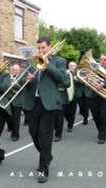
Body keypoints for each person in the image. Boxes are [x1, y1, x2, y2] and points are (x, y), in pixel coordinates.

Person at [24, 37, 67, 183]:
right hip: (33, 102)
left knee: (45, 136)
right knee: (33, 133)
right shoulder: (33, 61)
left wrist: (48, 65)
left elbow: (64, 80)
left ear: (50, 47)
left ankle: (43, 168)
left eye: (43, 47)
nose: (41, 50)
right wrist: (28, 80)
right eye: (39, 48)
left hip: (49, 104)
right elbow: (27, 82)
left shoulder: (59, 61)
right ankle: (47, 156)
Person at [89, 54, 106, 144]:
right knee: (95, 115)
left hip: (104, 96)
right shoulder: (95, 67)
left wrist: (103, 84)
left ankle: (102, 137)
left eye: (105, 60)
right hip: (94, 95)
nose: (103, 61)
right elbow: (88, 75)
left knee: (103, 116)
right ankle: (101, 130)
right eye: (101, 59)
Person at [8, 64, 26, 141]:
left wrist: (13, 85)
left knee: (16, 119)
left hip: (18, 101)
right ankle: (12, 130)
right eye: (13, 70)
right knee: (9, 118)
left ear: (19, 70)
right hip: (9, 100)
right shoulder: (9, 78)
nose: (14, 71)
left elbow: (24, 88)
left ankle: (15, 134)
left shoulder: (22, 78)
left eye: (16, 70)